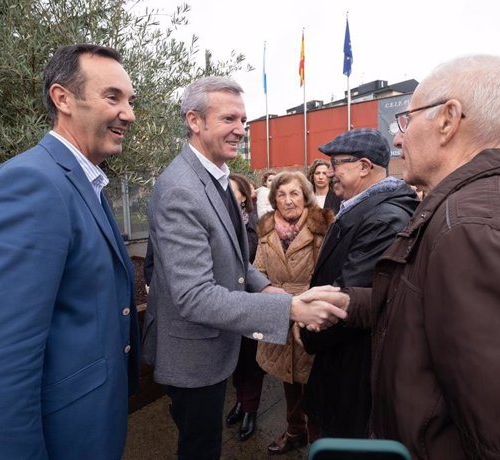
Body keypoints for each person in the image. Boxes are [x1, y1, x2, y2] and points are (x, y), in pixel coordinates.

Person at [309, 55, 500, 459]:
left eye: (406, 121)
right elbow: (433, 305)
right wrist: (350, 302)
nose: (398, 139)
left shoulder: (472, 228)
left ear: (448, 120)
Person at [141, 76, 346, 460]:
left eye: (243, 120)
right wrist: (291, 308)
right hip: (192, 356)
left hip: (214, 348)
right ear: (194, 121)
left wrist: (271, 290)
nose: (240, 129)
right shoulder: (181, 189)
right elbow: (194, 296)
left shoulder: (215, 177)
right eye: (229, 119)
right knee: (200, 448)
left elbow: (236, 260)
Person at [0, 44, 139, 459]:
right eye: (113, 97)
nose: (129, 113)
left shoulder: (82, 180)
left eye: (130, 100)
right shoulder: (31, 184)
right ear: (63, 99)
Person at [301, 128, 418, 438]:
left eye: (337, 163)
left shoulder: (383, 219)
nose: (328, 172)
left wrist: (306, 332)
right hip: (340, 367)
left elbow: (348, 299)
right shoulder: (361, 208)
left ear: (365, 166)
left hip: (352, 374)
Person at [252, 171, 335, 454]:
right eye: (282, 194)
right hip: (277, 312)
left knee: (315, 381)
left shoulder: (322, 228)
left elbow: (330, 273)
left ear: (305, 196)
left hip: (310, 314)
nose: (288, 201)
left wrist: (307, 303)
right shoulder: (266, 231)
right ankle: (295, 430)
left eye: (294, 193)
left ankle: (318, 441)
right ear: (274, 198)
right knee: (288, 378)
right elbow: (257, 271)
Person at [224, 172, 264, 441]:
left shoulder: (253, 227)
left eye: (238, 200)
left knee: (251, 361)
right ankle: (240, 402)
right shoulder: (220, 224)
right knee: (237, 361)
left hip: (250, 304)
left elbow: (247, 261)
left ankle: (251, 409)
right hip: (227, 304)